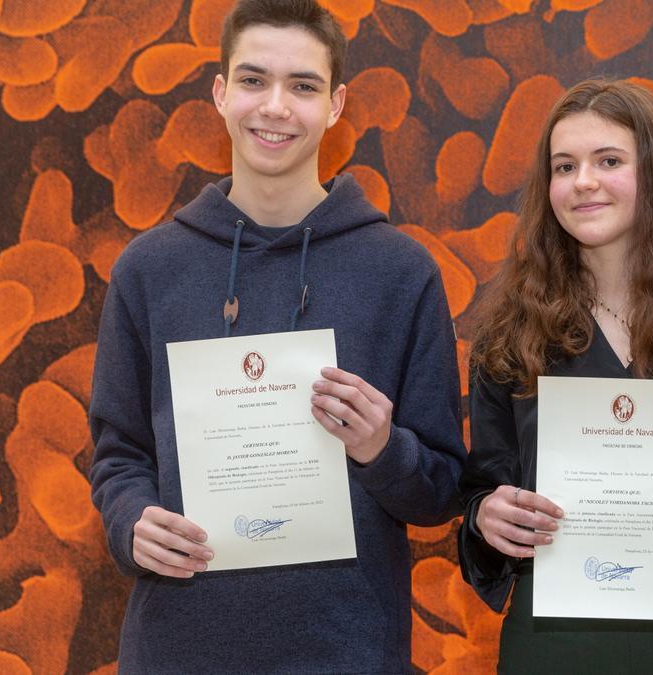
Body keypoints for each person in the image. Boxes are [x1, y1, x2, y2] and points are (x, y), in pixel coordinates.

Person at [88, 0, 466, 671]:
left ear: (337, 104)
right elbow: (119, 453)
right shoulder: (147, 269)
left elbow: (440, 491)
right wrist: (131, 521)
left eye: (303, 86)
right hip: (178, 648)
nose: (276, 108)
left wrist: (383, 447)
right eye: (254, 80)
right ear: (220, 92)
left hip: (350, 652)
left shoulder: (402, 273)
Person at [457, 79, 653, 673]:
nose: (583, 182)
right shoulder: (508, 337)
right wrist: (486, 517)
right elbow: (481, 496)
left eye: (609, 161)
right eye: (564, 165)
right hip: (551, 643)